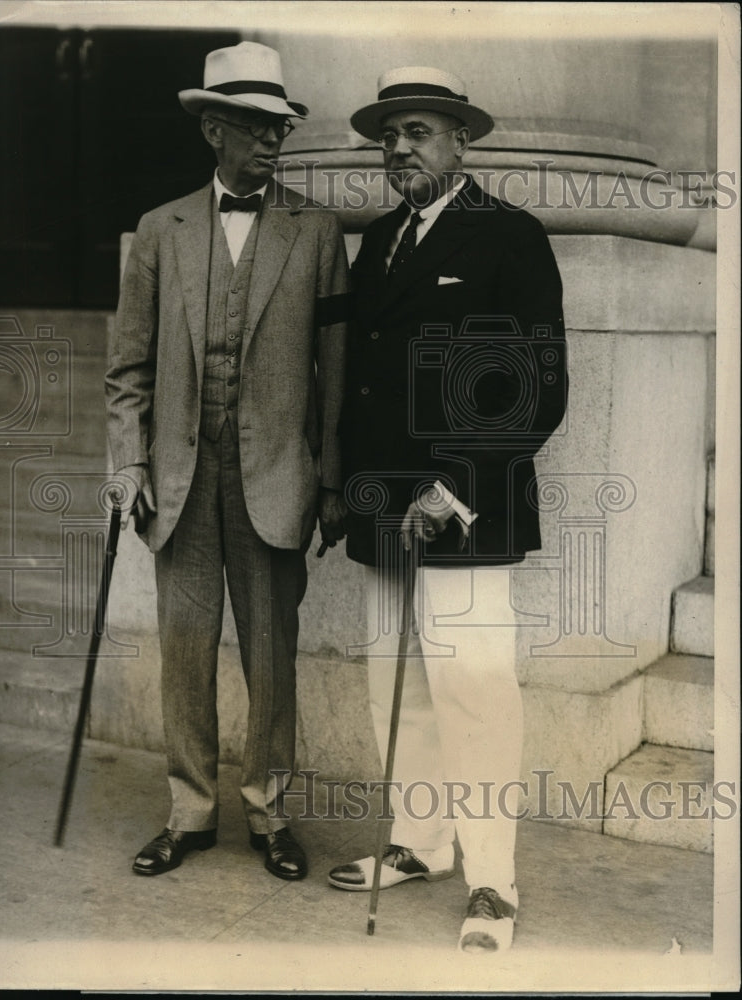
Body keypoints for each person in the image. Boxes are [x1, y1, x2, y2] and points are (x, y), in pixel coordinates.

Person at [328, 66, 568, 952]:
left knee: (472, 690)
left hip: (468, 507)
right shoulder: (381, 237)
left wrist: (455, 486)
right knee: (395, 681)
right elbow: (358, 374)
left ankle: (493, 883)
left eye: (419, 131)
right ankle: (419, 843)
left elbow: (538, 387)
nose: (400, 149)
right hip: (382, 503)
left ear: (461, 141)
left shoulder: (509, 236)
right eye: (390, 136)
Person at [106, 41, 348, 882]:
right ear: (213, 130)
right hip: (178, 480)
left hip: (276, 480)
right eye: (252, 124)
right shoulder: (158, 231)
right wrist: (126, 463)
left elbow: (336, 372)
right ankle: (190, 811)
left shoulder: (316, 232)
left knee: (270, 655)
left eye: (278, 124)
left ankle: (271, 813)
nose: (271, 138)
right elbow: (127, 370)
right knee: (184, 651)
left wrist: (331, 479)